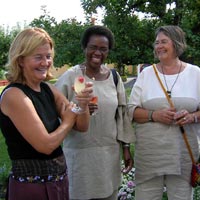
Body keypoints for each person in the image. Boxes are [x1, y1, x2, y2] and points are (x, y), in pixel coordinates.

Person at [0, 27, 93, 200]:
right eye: (38, 57)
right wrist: (68, 119)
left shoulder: (48, 89)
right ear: (20, 60)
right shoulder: (14, 95)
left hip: (57, 184)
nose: (45, 62)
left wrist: (83, 102)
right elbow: (46, 145)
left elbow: (82, 126)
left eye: (48, 56)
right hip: (31, 189)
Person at [55, 25, 135, 200]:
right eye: (93, 47)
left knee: (109, 194)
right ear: (84, 48)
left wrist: (126, 148)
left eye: (103, 49)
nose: (97, 52)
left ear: (108, 52)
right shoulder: (71, 77)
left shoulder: (114, 78)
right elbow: (55, 114)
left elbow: (122, 115)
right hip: (80, 156)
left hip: (109, 156)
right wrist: (78, 110)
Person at [128, 25, 200, 200]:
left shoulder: (196, 74)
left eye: (164, 42)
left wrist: (192, 117)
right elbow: (130, 110)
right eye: (156, 42)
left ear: (176, 44)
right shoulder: (146, 74)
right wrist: (155, 115)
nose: (159, 46)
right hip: (150, 157)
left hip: (182, 156)